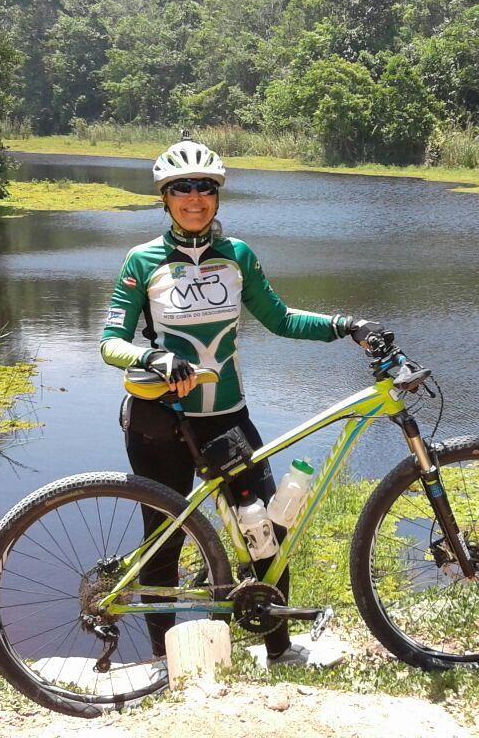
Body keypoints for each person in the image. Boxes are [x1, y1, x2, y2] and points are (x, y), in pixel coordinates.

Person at [100, 133, 377, 667]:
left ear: (217, 195)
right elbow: (111, 342)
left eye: (205, 187)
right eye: (182, 187)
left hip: (227, 420)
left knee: (264, 532)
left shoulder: (238, 257)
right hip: (159, 421)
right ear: (165, 197)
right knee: (164, 538)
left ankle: (279, 649)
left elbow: (282, 318)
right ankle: (163, 662)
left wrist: (347, 325)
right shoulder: (142, 260)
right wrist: (152, 357)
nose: (194, 198)